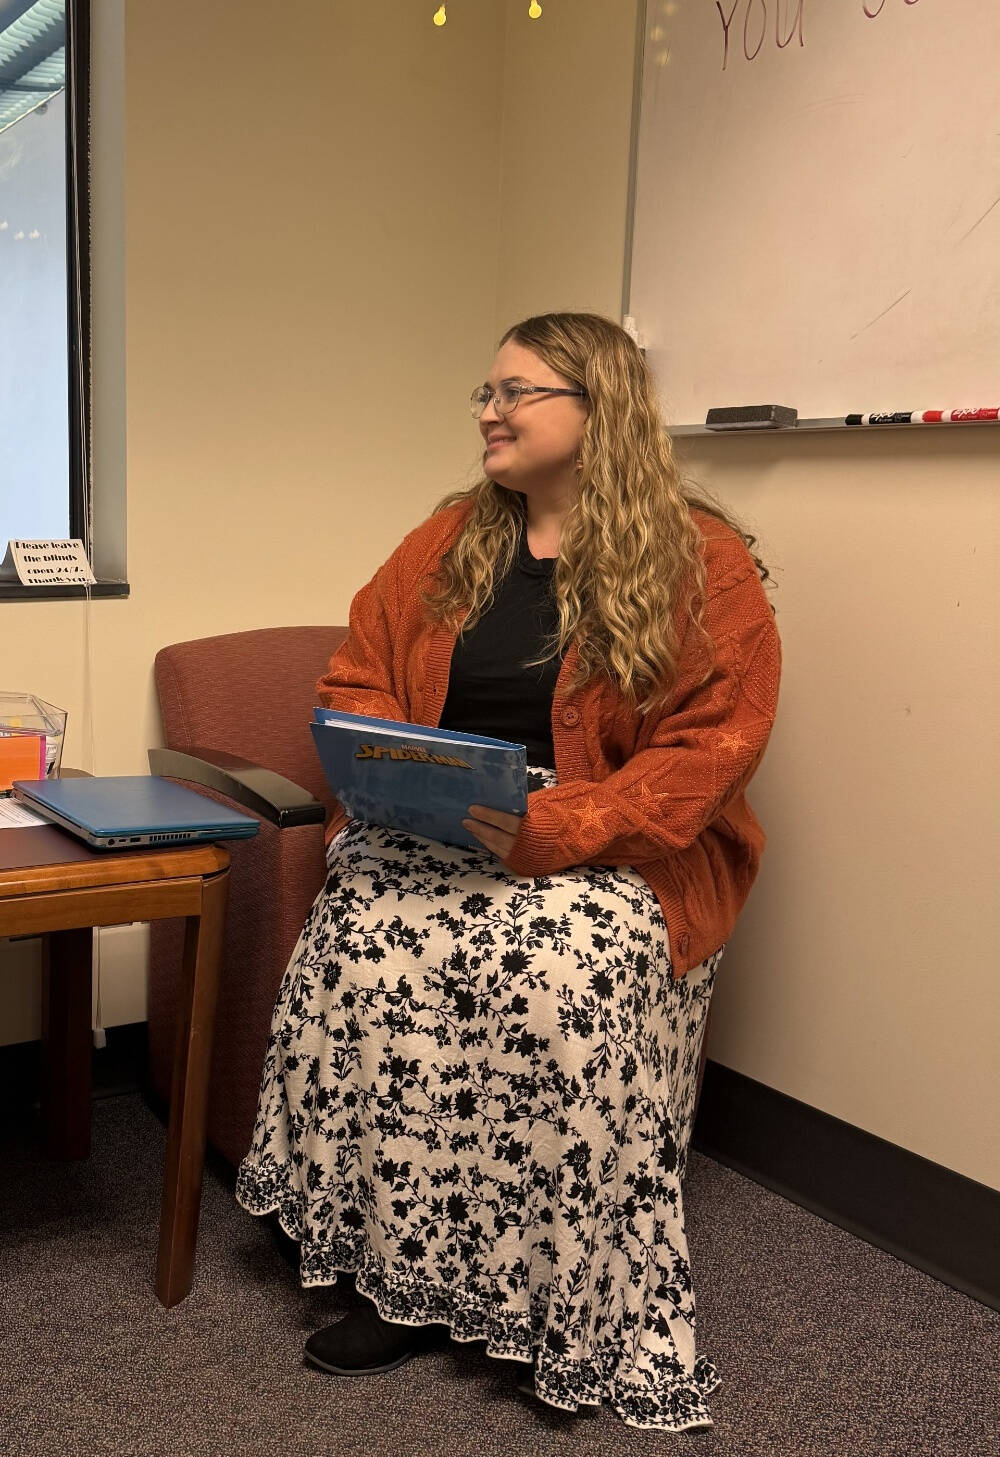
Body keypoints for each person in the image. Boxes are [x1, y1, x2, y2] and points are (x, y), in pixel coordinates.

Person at [236, 312, 780, 1432]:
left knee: (557, 970)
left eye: (516, 391)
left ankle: (558, 1305)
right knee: (361, 946)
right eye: (485, 392)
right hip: (440, 821)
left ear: (599, 409)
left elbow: (709, 753)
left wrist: (552, 824)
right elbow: (356, 676)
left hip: (615, 843)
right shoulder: (446, 541)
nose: (488, 411)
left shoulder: (703, 563)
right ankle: (394, 1277)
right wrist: (395, 773)